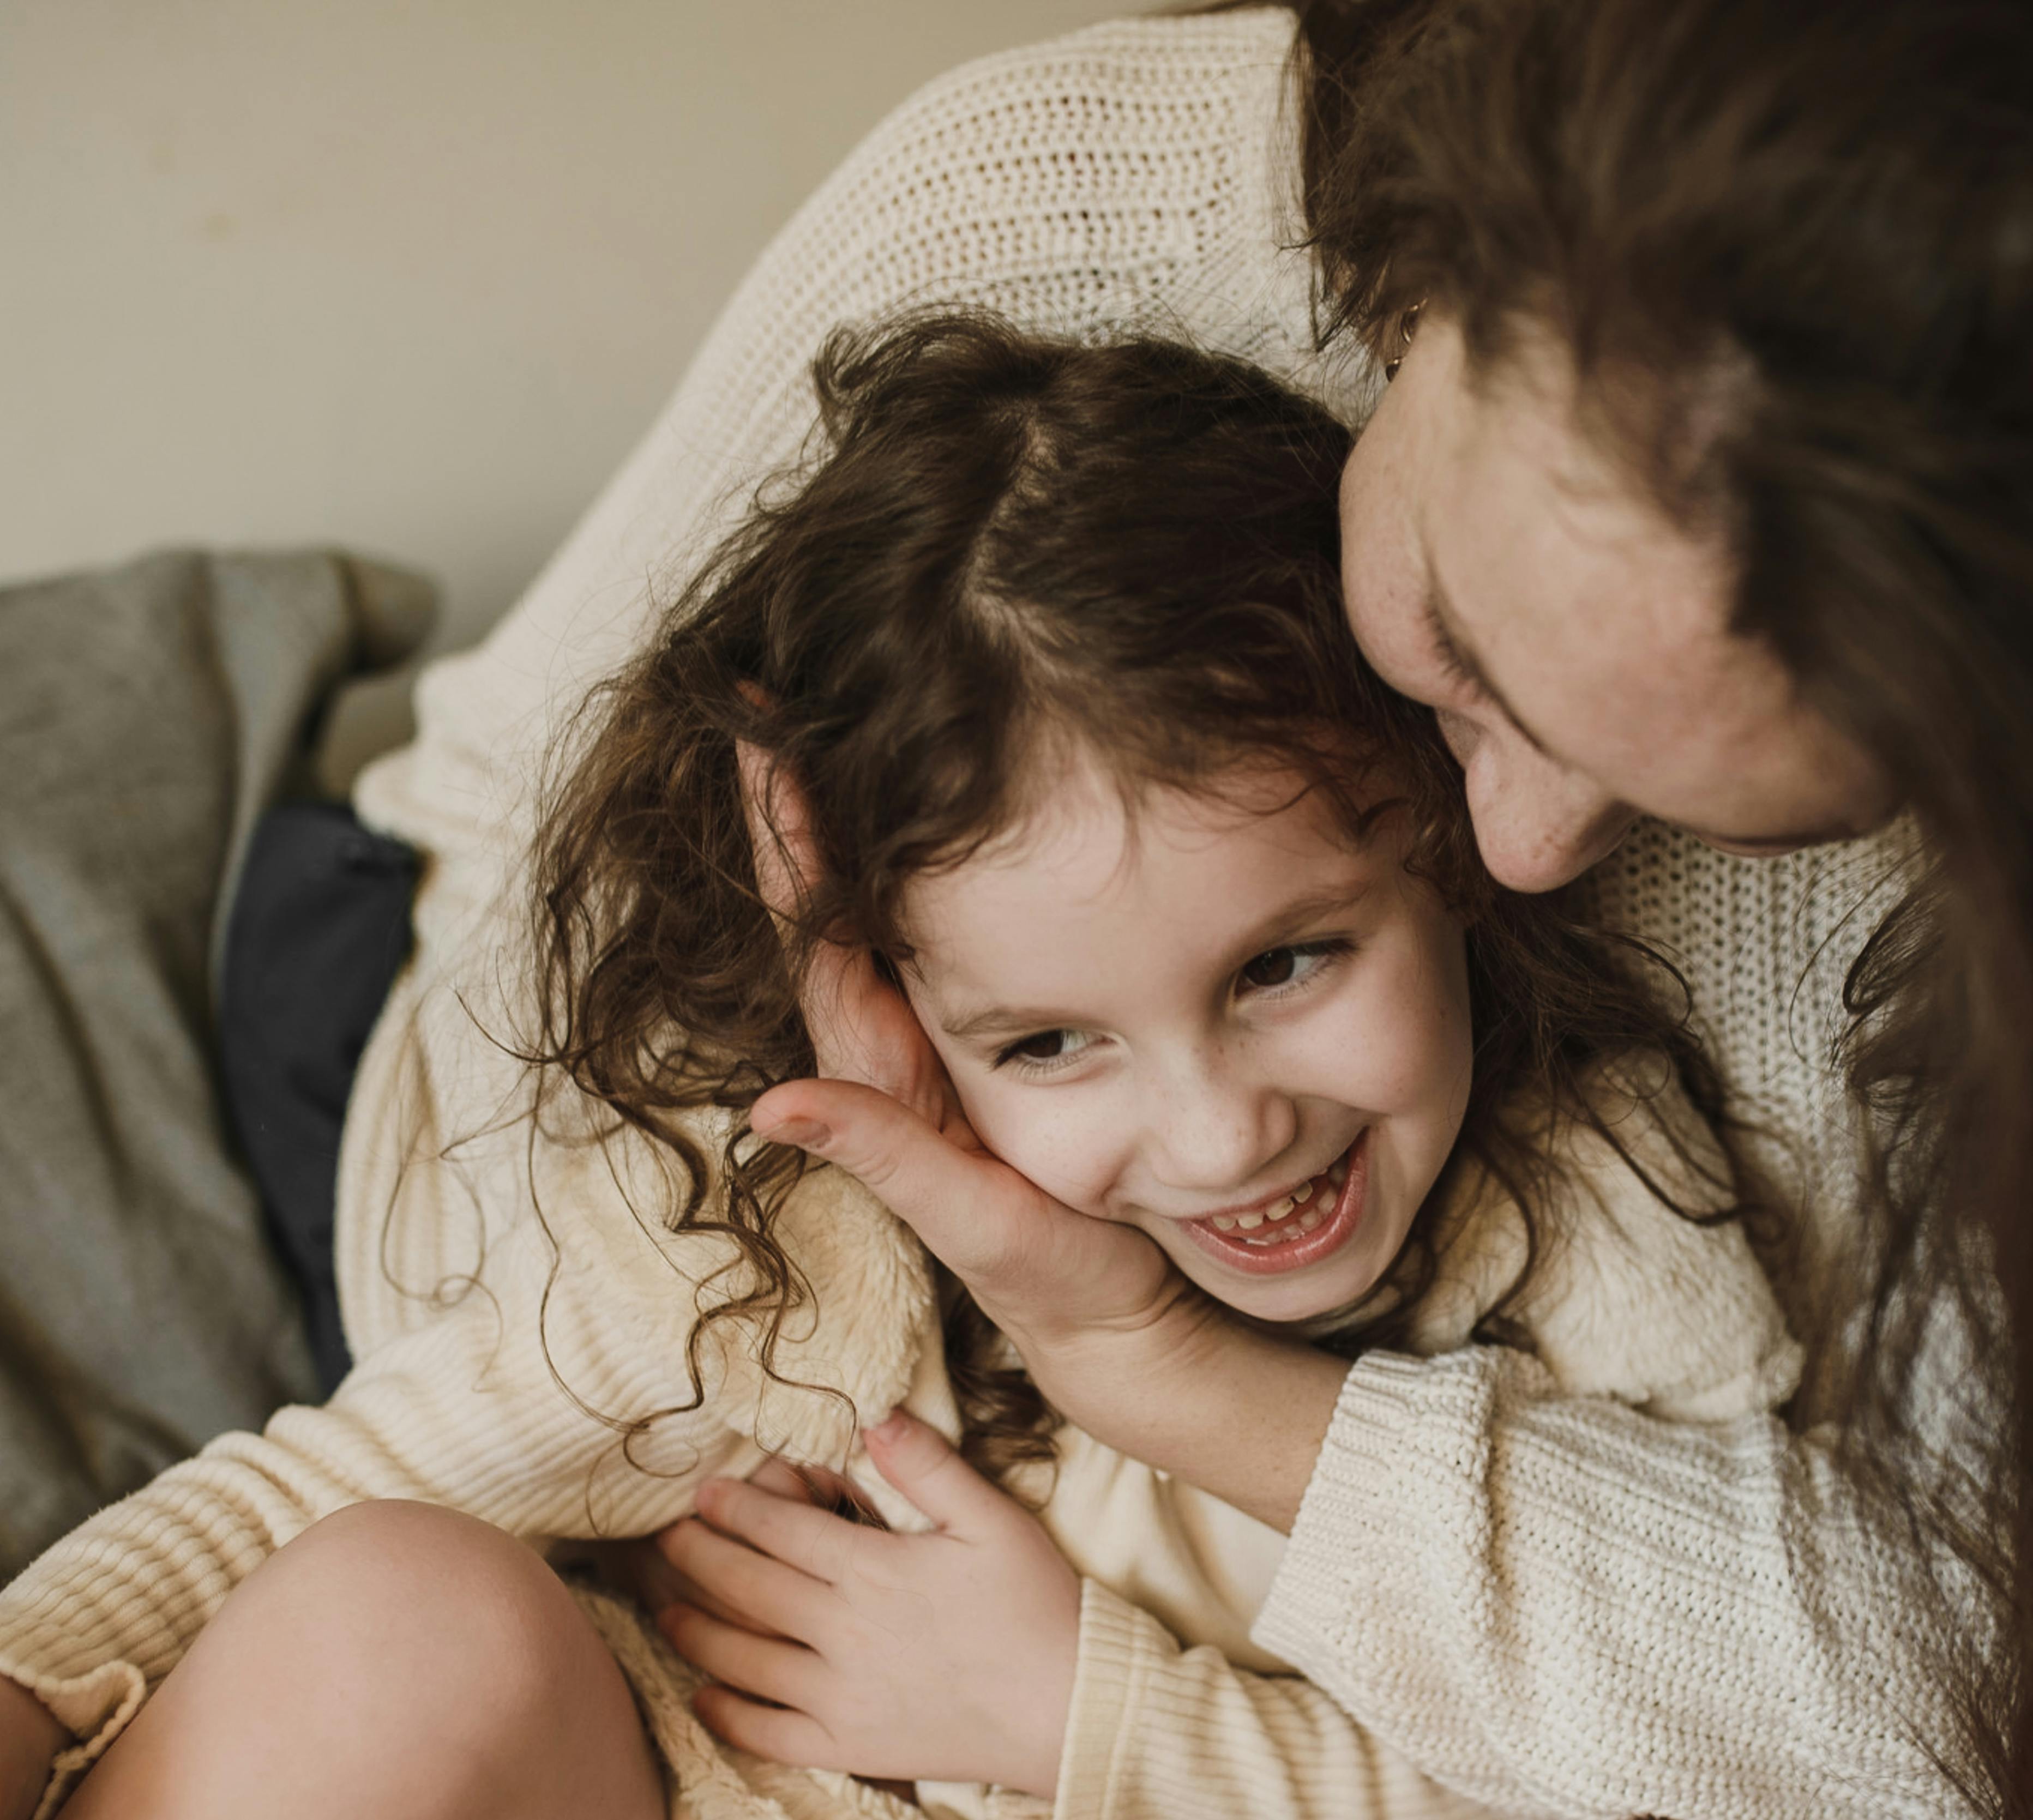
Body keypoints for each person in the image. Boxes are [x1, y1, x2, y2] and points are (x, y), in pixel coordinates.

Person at [6, 0, 2033, 1815]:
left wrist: (1153, 1412)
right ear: (1406, 280)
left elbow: (1961, 1701)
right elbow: (511, 978)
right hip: (514, 1059)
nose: (1522, 859)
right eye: (1455, 661)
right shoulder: (1039, 220)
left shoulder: (1626, 1238)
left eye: (1751, 806)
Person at [0, 311, 1801, 1820]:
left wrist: (1090, 1719)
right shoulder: (787, 1234)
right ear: (905, 1006)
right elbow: (322, 1482)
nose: (1221, 1126)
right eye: (1049, 1041)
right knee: (395, 1614)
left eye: (1286, 961)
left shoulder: (1598, 1244)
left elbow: (1689, 1767)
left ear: (1452, 839)